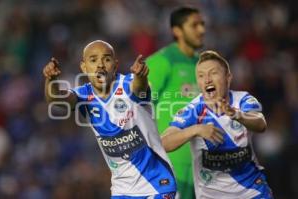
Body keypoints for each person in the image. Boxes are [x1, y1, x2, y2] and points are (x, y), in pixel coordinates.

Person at [43, 40, 177, 199]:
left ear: (115, 64)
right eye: (93, 60)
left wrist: (140, 77)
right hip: (122, 190)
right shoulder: (83, 96)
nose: (100, 64)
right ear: (84, 67)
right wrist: (51, 80)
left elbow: (139, 87)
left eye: (106, 59)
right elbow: (55, 98)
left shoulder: (127, 85)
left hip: (157, 184)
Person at [162, 50, 273, 198]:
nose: (207, 79)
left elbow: (260, 124)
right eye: (201, 76)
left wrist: (236, 114)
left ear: (228, 77)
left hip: (253, 191)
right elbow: (163, 142)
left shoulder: (243, 100)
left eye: (213, 73)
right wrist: (196, 129)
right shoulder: (193, 109)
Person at [146, 7, 205, 199]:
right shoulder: (161, 62)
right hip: (170, 165)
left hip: (202, 165)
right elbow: (139, 107)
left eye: (202, 24)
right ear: (177, 30)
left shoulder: (204, 66)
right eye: (194, 25)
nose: (201, 30)